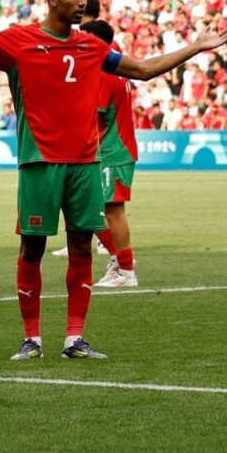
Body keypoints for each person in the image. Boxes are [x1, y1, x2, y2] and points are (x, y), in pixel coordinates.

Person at [0, 0, 227, 362]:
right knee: (31, 248)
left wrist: (196, 47)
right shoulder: (19, 40)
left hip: (85, 163)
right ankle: (31, 339)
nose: (83, 2)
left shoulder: (92, 45)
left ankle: (74, 339)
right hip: (40, 162)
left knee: (83, 246)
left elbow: (145, 70)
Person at [82, 19, 139, 288]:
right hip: (111, 149)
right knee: (90, 210)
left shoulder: (103, 72)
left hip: (112, 150)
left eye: (85, 38)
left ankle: (125, 271)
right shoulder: (113, 63)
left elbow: (94, 116)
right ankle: (120, 262)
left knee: (111, 211)